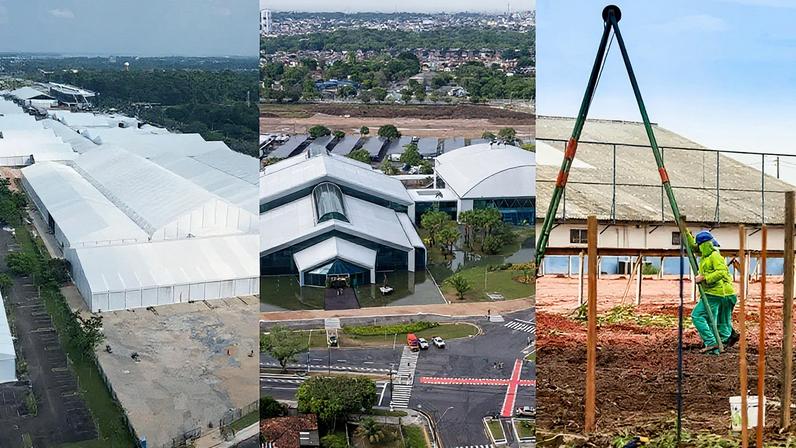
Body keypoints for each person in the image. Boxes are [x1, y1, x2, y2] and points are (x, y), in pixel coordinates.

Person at [687, 230, 740, 354]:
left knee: (700, 316)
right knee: (717, 321)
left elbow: (720, 272)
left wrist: (704, 278)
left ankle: (715, 343)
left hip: (718, 293)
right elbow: (694, 247)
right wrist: (686, 233)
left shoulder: (714, 256)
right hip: (720, 293)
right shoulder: (708, 255)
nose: (698, 248)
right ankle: (718, 345)